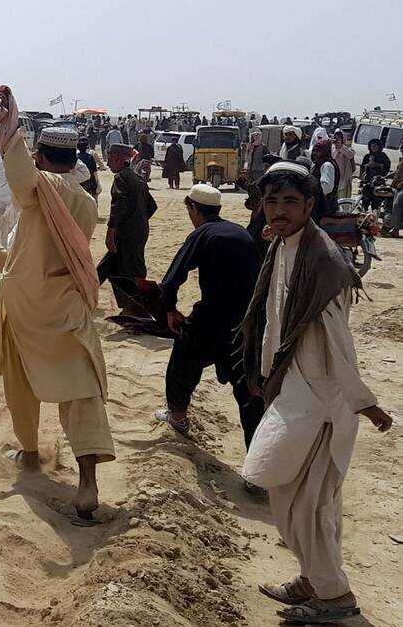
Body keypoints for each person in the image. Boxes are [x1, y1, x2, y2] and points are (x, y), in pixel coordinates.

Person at [241, 162, 392, 623]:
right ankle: (312, 579)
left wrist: (364, 401)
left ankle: (334, 596)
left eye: (290, 202)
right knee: (292, 496)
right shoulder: (283, 245)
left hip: (325, 400)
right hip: (294, 392)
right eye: (272, 201)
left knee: (310, 505)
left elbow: (338, 341)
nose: (279, 211)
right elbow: (274, 316)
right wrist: (266, 372)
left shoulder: (324, 262)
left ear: (309, 205)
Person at [0, 88, 114, 524]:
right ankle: (87, 483)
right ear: (74, 158)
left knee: (20, 380)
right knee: (82, 392)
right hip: (68, 307)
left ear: (41, 157)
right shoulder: (87, 202)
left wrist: (9, 124)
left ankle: (29, 452)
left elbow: (19, 172)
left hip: (26, 305)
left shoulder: (42, 189)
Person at [152, 185, 264, 448]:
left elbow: (171, 279)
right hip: (245, 323)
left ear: (193, 209)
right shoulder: (241, 233)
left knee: (181, 365)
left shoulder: (202, 234)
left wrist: (170, 310)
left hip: (210, 319)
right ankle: (257, 456)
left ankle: (178, 416)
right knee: (248, 394)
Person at [99, 142, 156, 316]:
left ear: (117, 159)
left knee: (131, 270)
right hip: (138, 231)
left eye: (109, 160)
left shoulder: (121, 178)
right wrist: (138, 220)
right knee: (110, 266)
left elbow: (118, 206)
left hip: (126, 234)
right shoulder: (138, 178)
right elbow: (152, 206)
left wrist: (111, 231)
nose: (108, 164)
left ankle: (140, 308)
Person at [309, 139, 339, 220]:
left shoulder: (327, 165)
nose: (315, 153)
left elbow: (326, 188)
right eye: (314, 151)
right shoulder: (318, 164)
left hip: (325, 207)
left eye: (318, 151)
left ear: (325, 152)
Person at [331, 130, 356, 200]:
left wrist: (341, 147)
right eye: (336, 138)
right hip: (334, 175)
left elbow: (351, 155)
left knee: (343, 197)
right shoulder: (332, 148)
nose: (337, 140)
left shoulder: (347, 148)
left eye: (339, 138)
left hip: (344, 176)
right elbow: (332, 157)